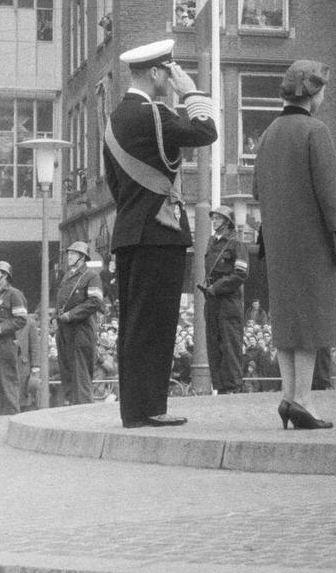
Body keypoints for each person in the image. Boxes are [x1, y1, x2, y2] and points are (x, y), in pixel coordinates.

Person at [103, 39, 217, 428]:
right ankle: (150, 408)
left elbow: (114, 186)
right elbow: (206, 132)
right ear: (155, 73)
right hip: (160, 231)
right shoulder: (153, 114)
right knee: (156, 324)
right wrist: (192, 92)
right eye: (169, 71)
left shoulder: (117, 116)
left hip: (131, 230)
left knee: (134, 325)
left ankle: (135, 409)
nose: (172, 78)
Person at [253, 59, 336, 428]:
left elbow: (258, 190)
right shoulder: (315, 131)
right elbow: (328, 191)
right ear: (315, 93)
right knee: (310, 321)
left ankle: (288, 396)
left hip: (277, 241)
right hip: (312, 240)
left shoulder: (268, 133)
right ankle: (304, 400)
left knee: (287, 321)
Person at [197, 207, 249, 394]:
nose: (215, 221)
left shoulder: (236, 245)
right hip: (212, 300)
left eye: (219, 218)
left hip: (228, 300)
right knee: (213, 343)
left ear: (228, 222)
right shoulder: (212, 242)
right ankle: (219, 386)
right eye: (214, 218)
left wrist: (217, 287)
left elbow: (240, 274)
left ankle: (233, 385)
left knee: (230, 344)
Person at [55, 241, 104, 406]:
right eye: (68, 254)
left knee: (80, 374)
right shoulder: (67, 276)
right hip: (64, 329)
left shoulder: (91, 276)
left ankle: (83, 412)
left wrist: (71, 315)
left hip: (81, 330)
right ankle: (71, 408)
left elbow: (95, 302)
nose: (69, 256)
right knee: (67, 371)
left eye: (73, 254)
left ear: (82, 257)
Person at [0, 261, 28, 416]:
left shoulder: (14, 294)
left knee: (7, 382)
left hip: (6, 343)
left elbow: (21, 319)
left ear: (5, 276)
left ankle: (12, 417)